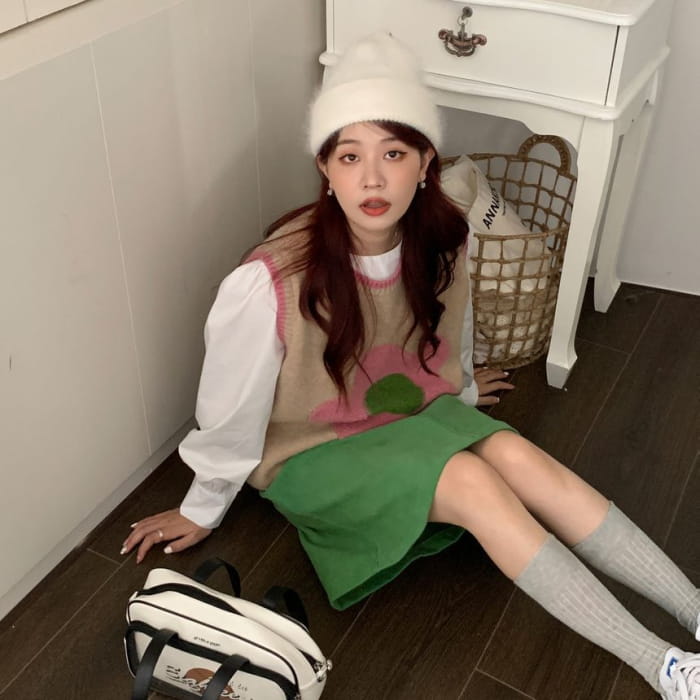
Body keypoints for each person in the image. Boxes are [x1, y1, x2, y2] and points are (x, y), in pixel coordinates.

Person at [121, 32, 700, 699]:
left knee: (517, 456)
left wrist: (461, 387)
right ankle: (665, 667)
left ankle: (692, 607)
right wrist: (203, 504)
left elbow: (454, 325)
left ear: (426, 162)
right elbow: (231, 406)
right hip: (312, 451)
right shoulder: (271, 281)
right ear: (326, 168)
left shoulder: (444, 238)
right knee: (474, 480)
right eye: (350, 156)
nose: (372, 179)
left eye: (393, 153)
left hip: (408, 416)